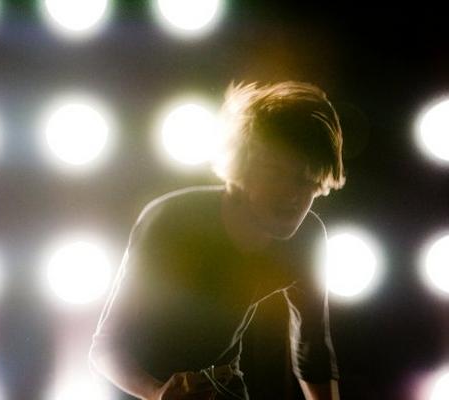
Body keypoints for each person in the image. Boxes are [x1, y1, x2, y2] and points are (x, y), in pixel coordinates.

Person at [89, 81, 345, 400]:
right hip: (137, 387)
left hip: (220, 386)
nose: (294, 195)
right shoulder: (173, 221)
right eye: (278, 173)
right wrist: (157, 394)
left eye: (307, 181)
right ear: (243, 166)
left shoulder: (305, 240)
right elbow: (106, 347)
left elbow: (313, 354)